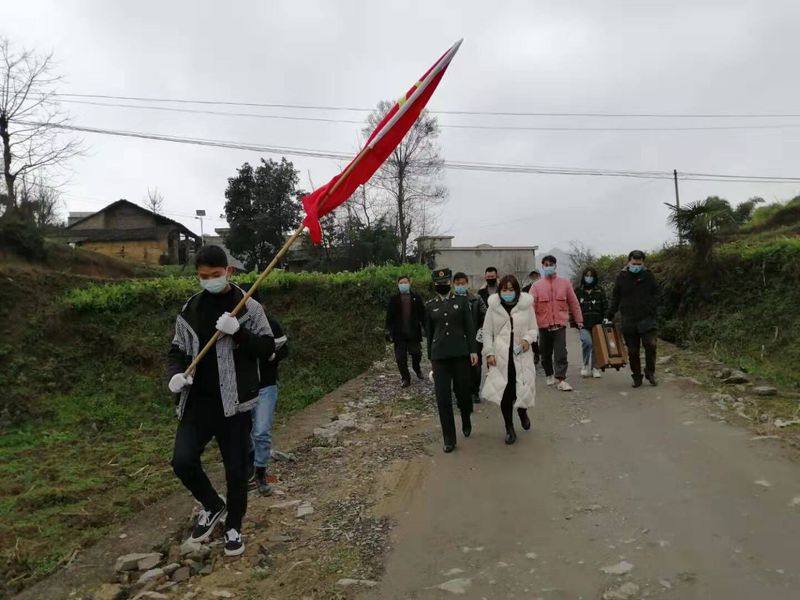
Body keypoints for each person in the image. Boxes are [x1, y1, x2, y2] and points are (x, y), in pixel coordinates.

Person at [167, 246, 275, 557]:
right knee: (182, 460)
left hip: (235, 404)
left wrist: (239, 333)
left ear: (228, 271)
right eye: (203, 276)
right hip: (197, 403)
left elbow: (268, 348)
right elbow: (177, 350)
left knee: (236, 472)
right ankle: (213, 505)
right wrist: (175, 375)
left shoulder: (249, 307)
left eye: (215, 275)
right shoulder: (190, 309)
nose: (209, 280)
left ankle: (234, 527)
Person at [242, 285, 289, 497]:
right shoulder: (234, 328)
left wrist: (272, 356)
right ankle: (248, 471)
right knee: (244, 432)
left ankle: (260, 472)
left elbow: (284, 349)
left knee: (261, 430)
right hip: (243, 388)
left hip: (266, 386)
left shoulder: (271, 326)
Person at [425, 268, 479, 453]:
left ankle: (465, 416)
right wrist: (430, 357)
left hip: (460, 353)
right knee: (442, 397)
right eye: (439, 283)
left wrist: (473, 350)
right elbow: (429, 333)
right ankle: (449, 437)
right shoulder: (430, 305)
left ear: (450, 283)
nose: (442, 285)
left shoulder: (461, 301)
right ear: (435, 284)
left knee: (463, 392)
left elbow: (469, 327)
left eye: (445, 282)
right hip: (440, 356)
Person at [481, 275, 538, 444]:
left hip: (521, 354)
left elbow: (533, 329)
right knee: (505, 392)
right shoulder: (494, 307)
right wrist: (489, 353)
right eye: (504, 289)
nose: (507, 292)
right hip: (501, 356)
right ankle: (509, 428)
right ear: (500, 291)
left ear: (517, 290)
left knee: (521, 387)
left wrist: (527, 340)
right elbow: (486, 332)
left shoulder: (526, 306)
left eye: (511, 289)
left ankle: (522, 411)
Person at [606, 250, 659, 388]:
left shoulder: (648, 276)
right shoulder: (621, 277)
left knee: (651, 345)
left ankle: (650, 372)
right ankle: (636, 376)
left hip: (647, 318)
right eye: (634, 263)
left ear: (643, 263)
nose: (636, 266)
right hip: (629, 319)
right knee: (633, 351)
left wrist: (652, 307)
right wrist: (609, 315)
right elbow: (616, 297)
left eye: (639, 264)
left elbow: (656, 293)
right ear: (629, 262)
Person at [532, 255, 583, 391]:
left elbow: (573, 302)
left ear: (555, 266)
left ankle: (561, 379)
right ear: (542, 267)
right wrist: (530, 325)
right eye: (546, 265)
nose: (548, 267)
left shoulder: (565, 283)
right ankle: (549, 373)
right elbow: (531, 306)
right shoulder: (536, 286)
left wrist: (579, 320)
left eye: (551, 264)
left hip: (559, 325)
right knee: (545, 353)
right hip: (543, 325)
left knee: (561, 352)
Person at [385, 275, 427, 388]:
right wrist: (388, 330)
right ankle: (405, 378)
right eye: (401, 283)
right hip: (399, 334)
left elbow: (422, 314)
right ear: (398, 284)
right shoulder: (394, 299)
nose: (403, 285)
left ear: (410, 283)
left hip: (414, 333)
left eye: (405, 282)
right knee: (400, 358)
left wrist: (426, 327)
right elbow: (389, 317)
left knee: (417, 354)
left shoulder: (416, 298)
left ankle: (416, 368)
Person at [453, 271, 487, 403]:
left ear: (467, 284)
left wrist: (481, 331)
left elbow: (485, 316)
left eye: (462, 283)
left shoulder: (476, 299)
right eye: (457, 284)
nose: (460, 286)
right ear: (453, 284)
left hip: (474, 339)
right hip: (456, 340)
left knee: (476, 367)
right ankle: (461, 393)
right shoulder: (450, 300)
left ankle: (475, 391)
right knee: (459, 368)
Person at [575, 267, 607, 379]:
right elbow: (574, 307)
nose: (589, 278)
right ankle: (585, 365)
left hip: (598, 323)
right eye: (587, 276)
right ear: (584, 277)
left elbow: (605, 305)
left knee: (596, 345)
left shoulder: (600, 290)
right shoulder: (578, 291)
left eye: (591, 276)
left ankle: (595, 367)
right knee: (587, 342)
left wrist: (606, 318)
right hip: (583, 324)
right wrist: (576, 321)